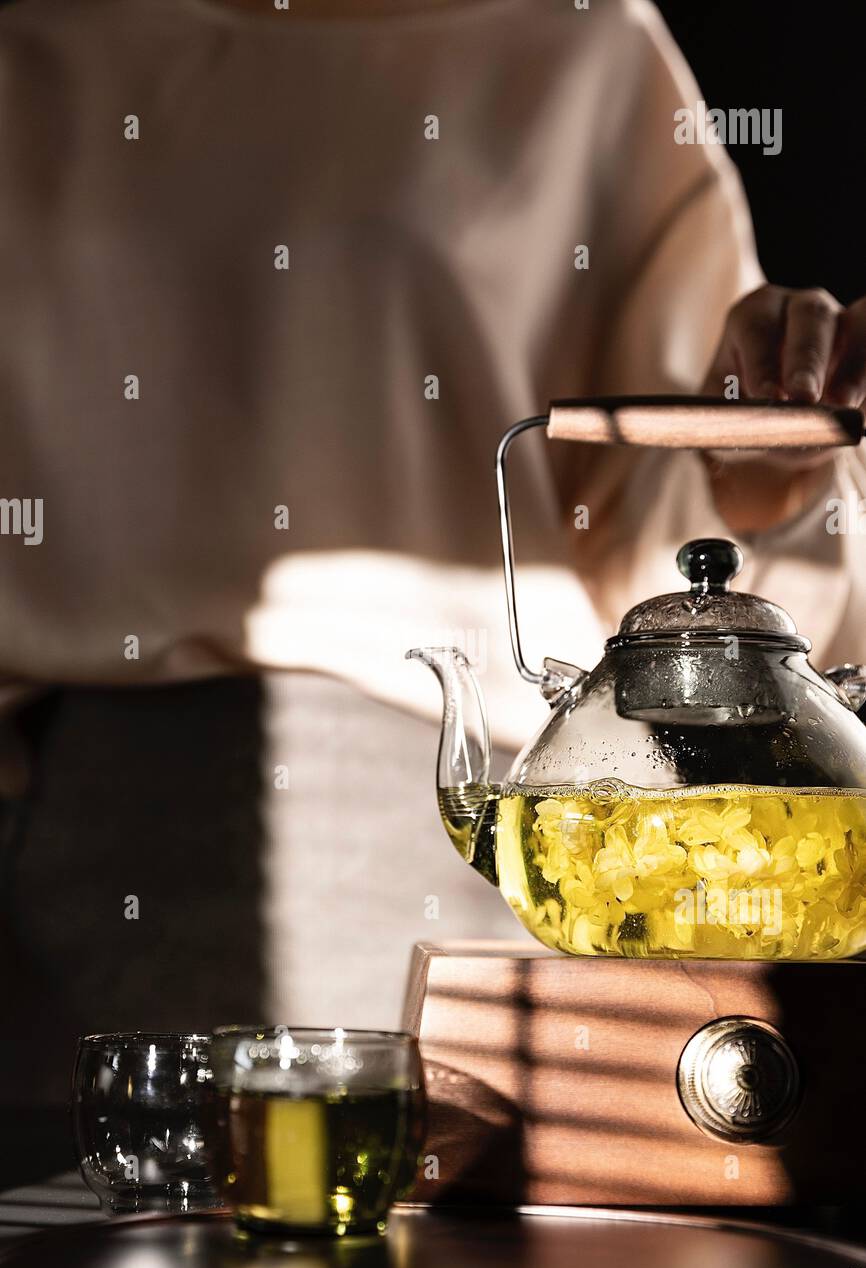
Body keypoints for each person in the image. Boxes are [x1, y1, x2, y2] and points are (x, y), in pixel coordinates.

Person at [1, 0, 865, 1102]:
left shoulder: (582, 47)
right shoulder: (39, 53)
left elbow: (685, 510)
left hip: (472, 851)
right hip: (68, 860)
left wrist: (767, 451)